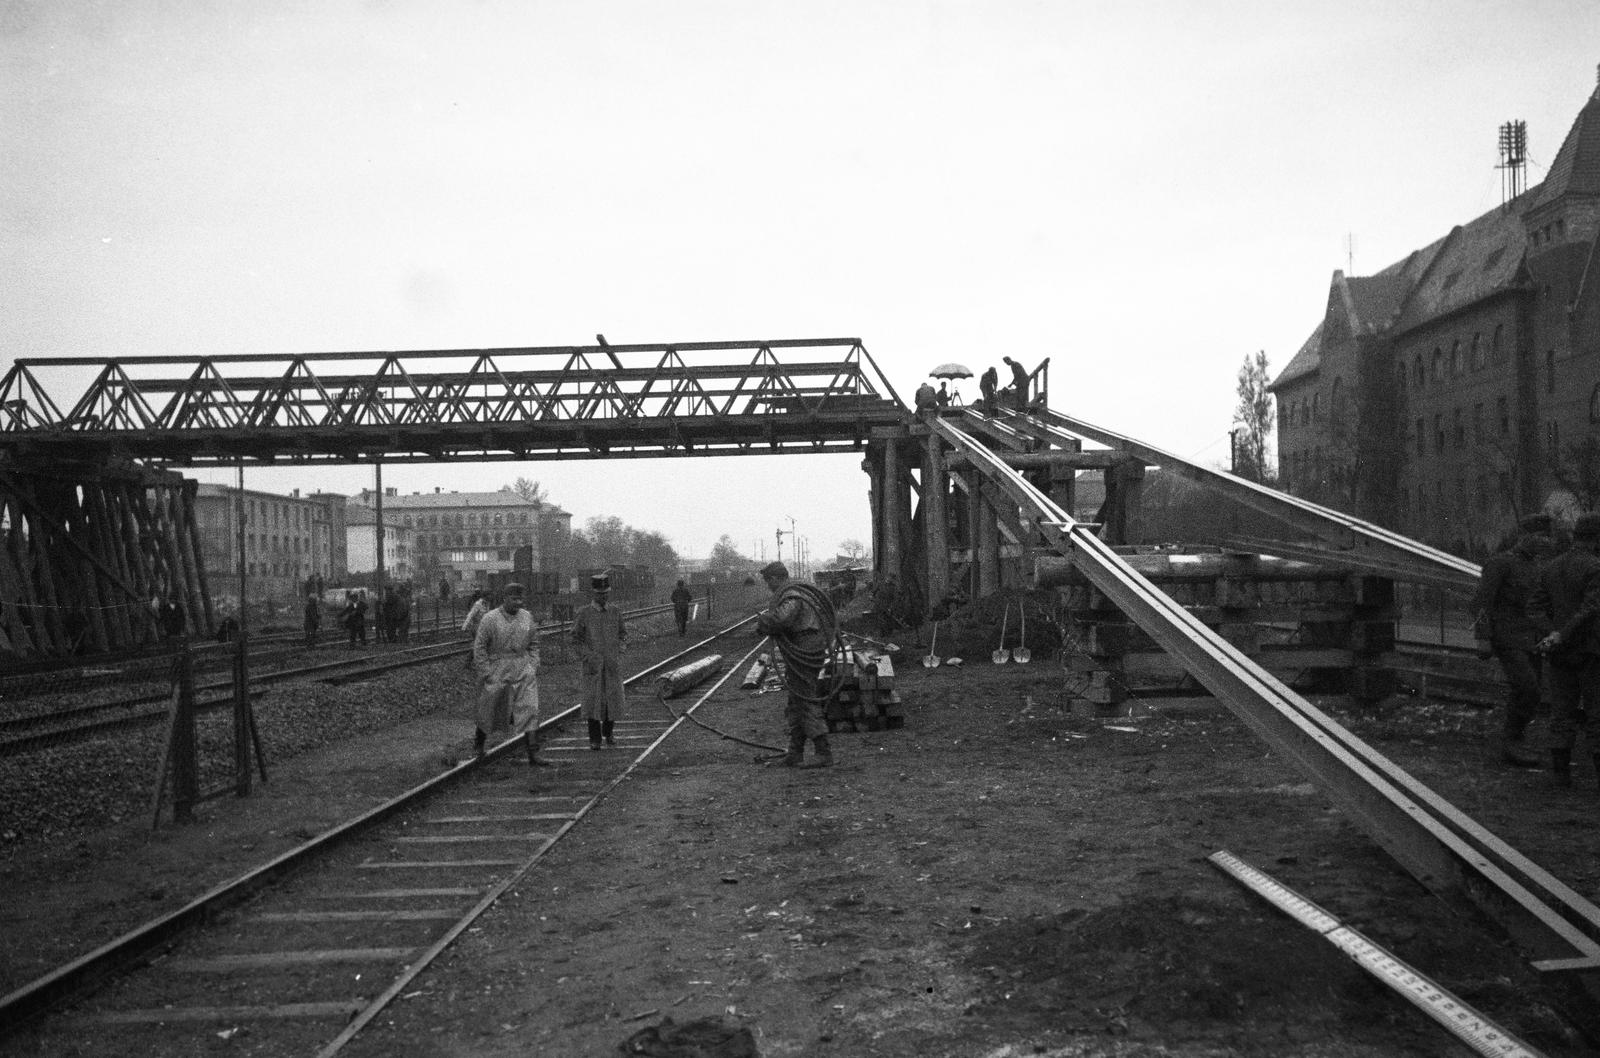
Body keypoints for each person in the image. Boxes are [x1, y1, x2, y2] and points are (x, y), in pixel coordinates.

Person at [1472, 515, 1553, 767]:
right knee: (1527, 688)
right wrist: (1483, 638)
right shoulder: (1500, 563)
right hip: (1506, 638)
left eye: (1546, 537)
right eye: (1539, 536)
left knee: (1532, 692)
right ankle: (1511, 742)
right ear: (1524, 535)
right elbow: (1481, 603)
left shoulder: (1538, 568)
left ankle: (1515, 741)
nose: (1543, 542)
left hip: (1531, 640)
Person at [1530, 513, 1600, 788]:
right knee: (1597, 714)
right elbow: (1591, 608)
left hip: (1560, 654)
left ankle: (1561, 776)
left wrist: (1553, 633)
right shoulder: (1595, 567)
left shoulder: (1551, 567)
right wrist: (1563, 633)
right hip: (1591, 650)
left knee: (1561, 714)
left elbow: (1533, 607)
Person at [757, 561, 835, 768]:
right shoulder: (795, 591)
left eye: (768, 581)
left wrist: (764, 622)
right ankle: (795, 752)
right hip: (805, 647)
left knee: (804, 698)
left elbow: (782, 619)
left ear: (775, 578)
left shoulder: (791, 595)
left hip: (805, 649)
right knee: (796, 700)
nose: (768, 585)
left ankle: (823, 751)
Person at [471, 582, 548, 766]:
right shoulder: (490, 619)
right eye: (514, 599)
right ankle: (479, 746)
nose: (518, 603)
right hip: (497, 667)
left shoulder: (527, 617)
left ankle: (533, 753)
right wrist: (486, 671)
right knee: (488, 708)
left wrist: (533, 664)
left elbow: (534, 643)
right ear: (504, 598)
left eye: (520, 599)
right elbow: (479, 647)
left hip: (523, 667)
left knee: (530, 708)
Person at [573, 573, 627, 749]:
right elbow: (576, 639)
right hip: (592, 667)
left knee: (612, 699)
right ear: (593, 594)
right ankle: (594, 739)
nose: (603, 596)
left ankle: (609, 732)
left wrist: (620, 649)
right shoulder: (584, 614)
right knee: (593, 701)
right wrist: (587, 656)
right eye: (599, 593)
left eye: (606, 593)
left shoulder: (615, 612)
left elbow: (623, 634)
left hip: (611, 664)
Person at [461, 589, 491, 670]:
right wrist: (464, 626)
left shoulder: (487, 604)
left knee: (481, 645)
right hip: (476, 627)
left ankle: (472, 663)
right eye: (489, 596)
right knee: (479, 645)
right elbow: (470, 615)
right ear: (485, 597)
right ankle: (469, 663)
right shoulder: (478, 604)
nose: (491, 597)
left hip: (483, 627)